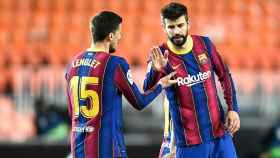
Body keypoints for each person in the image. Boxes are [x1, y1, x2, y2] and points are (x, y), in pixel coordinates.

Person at [65, 11, 176, 158]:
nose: (120, 37)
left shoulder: (72, 64)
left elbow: (71, 112)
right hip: (107, 151)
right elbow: (139, 102)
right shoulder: (114, 64)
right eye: (119, 33)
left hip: (78, 151)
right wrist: (161, 84)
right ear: (110, 36)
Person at [143, 2, 240, 158]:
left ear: (188, 23)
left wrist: (232, 108)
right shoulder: (160, 55)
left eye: (180, 25)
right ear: (164, 27)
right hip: (189, 144)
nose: (176, 31)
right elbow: (147, 89)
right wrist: (156, 70)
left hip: (220, 136)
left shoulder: (205, 44)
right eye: (171, 27)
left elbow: (224, 75)